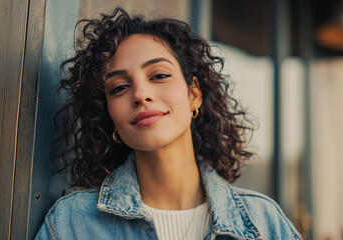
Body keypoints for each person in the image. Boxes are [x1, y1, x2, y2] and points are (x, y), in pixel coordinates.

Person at [35, 7, 301, 240]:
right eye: (119, 88)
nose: (140, 94)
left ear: (193, 95)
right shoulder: (71, 224)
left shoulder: (265, 223)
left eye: (159, 75)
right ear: (109, 116)